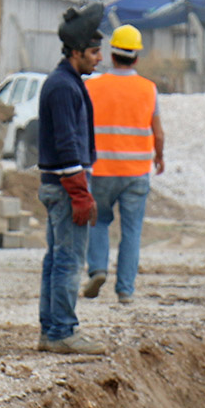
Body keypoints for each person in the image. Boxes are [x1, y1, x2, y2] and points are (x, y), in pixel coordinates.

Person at [37, 3, 107, 355]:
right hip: (66, 186)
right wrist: (80, 193)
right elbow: (67, 145)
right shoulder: (64, 87)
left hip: (59, 184)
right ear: (76, 52)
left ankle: (50, 330)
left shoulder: (65, 82)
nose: (99, 58)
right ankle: (63, 330)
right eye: (94, 52)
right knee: (68, 259)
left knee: (56, 257)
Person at [83, 24, 166, 303]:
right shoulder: (149, 89)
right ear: (137, 57)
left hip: (101, 170)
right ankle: (126, 291)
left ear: (111, 53)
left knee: (98, 222)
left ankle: (97, 269)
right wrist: (159, 156)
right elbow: (159, 132)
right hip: (136, 172)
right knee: (131, 231)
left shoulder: (92, 87)